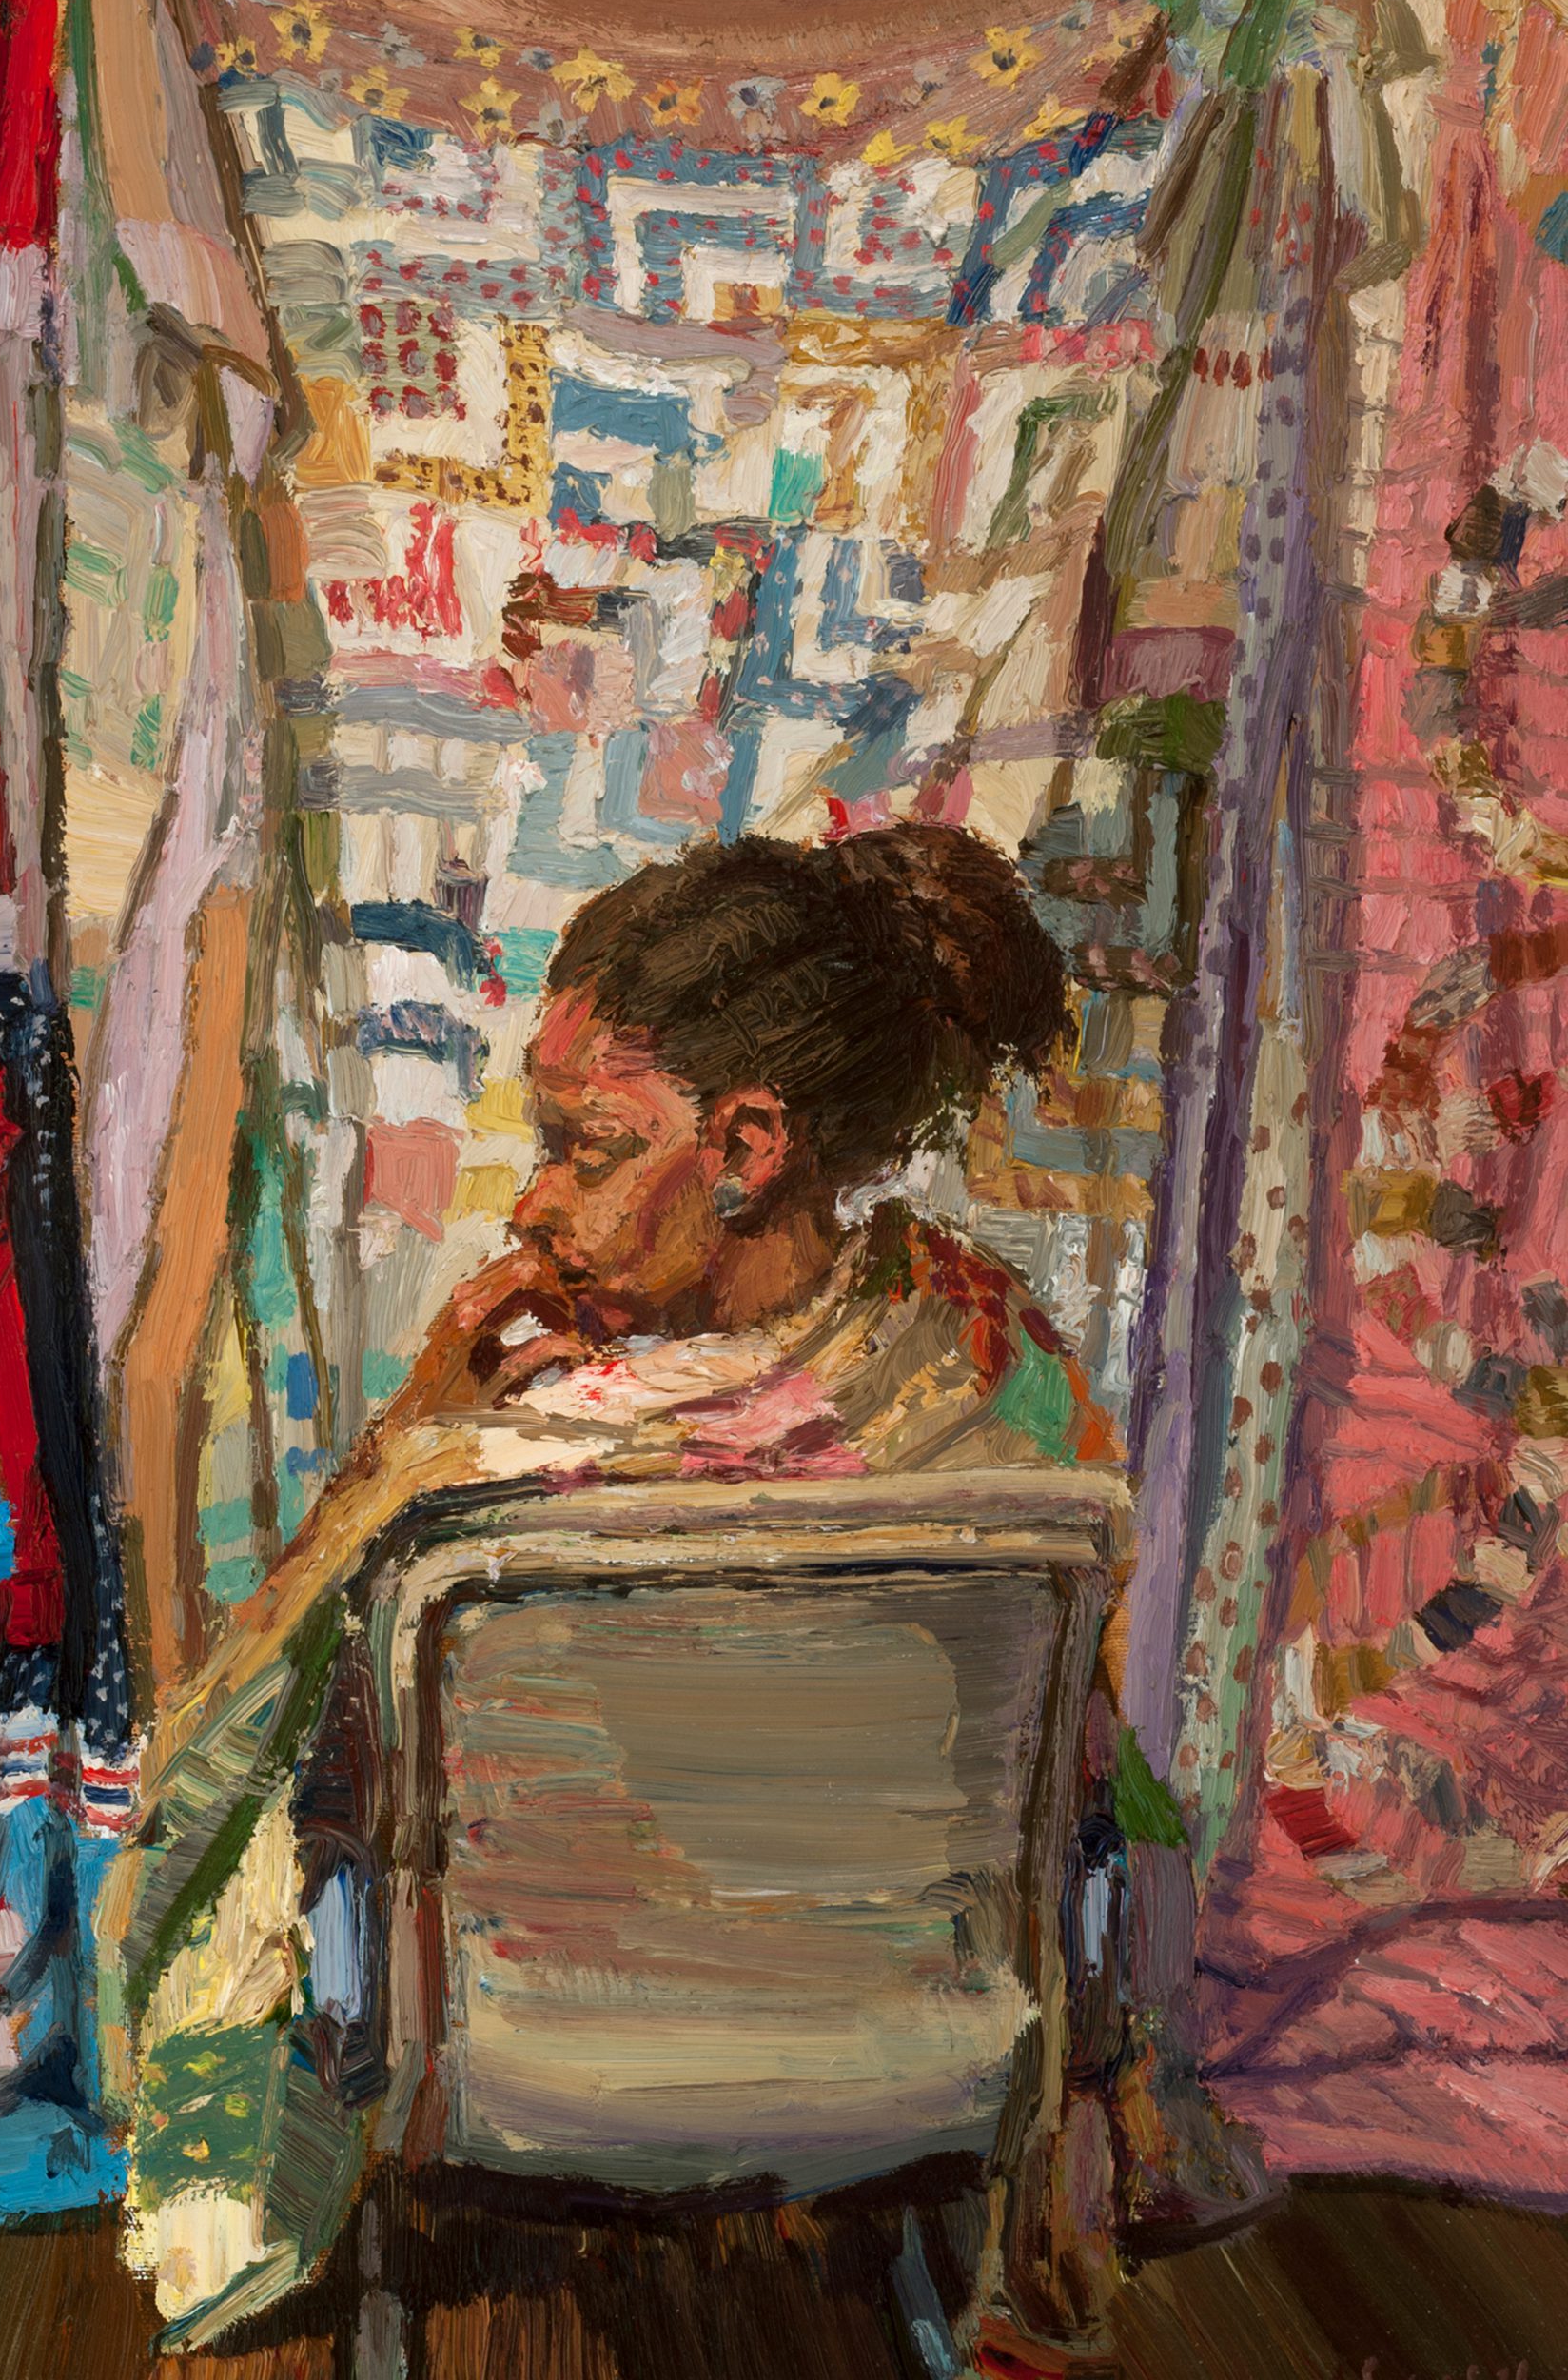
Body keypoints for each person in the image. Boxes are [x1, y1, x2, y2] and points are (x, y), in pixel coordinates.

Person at [96, 820, 1262, 2352]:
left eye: (587, 1146)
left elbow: (222, 1758)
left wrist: (407, 1442)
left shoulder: (491, 1468)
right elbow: (1089, 1785)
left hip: (522, 2085)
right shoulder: (997, 1382)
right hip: (925, 2065)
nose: (533, 1204)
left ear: (750, 1150)